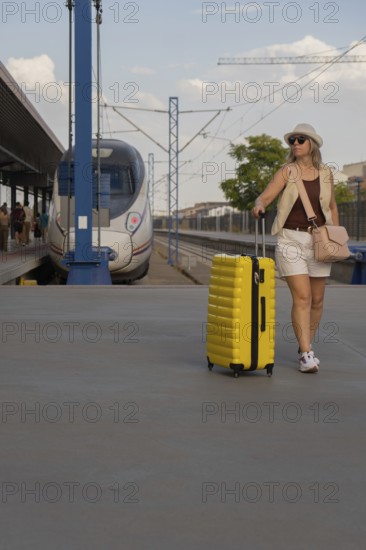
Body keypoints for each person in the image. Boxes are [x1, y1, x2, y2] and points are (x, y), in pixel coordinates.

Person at [251, 123, 339, 374]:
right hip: (291, 240)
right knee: (302, 297)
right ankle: (306, 353)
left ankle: (305, 346)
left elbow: (331, 206)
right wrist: (258, 205)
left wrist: (336, 234)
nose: (296, 143)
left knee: (318, 300)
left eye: (301, 139)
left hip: (320, 240)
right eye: (293, 140)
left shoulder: (325, 173)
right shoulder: (286, 172)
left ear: (312, 143)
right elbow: (266, 196)